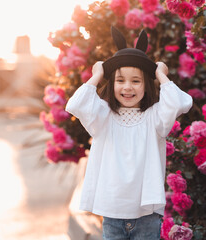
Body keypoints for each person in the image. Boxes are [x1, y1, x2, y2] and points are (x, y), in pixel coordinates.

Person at [66, 27, 193, 240]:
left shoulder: (155, 117)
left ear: (146, 85)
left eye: (136, 81)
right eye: (120, 80)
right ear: (112, 82)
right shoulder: (103, 116)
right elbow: (77, 104)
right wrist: (97, 75)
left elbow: (181, 102)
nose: (127, 87)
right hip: (112, 214)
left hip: (147, 215)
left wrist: (161, 75)